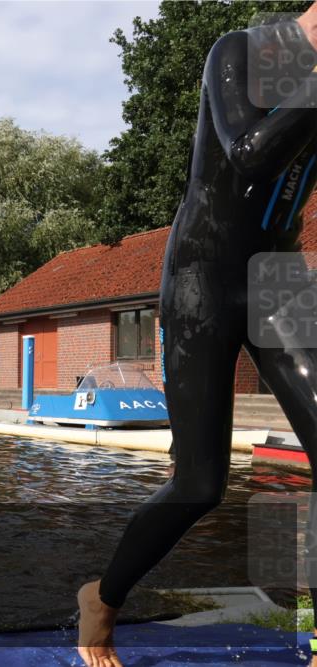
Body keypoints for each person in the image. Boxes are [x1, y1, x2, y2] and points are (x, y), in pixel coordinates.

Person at [78, 8, 317, 667]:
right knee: (199, 483)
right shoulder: (240, 52)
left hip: (280, 278)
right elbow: (249, 154)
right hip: (202, 278)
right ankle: (102, 596)